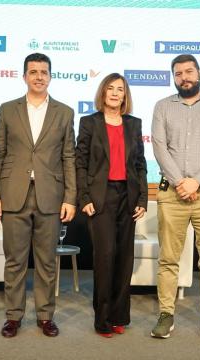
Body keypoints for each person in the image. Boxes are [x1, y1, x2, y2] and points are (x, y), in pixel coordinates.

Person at [0, 53, 76, 338]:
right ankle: (13, 316)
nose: (39, 76)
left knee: (47, 261)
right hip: (14, 194)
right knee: (15, 260)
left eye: (44, 72)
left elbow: (69, 157)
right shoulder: (7, 109)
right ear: (24, 76)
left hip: (51, 195)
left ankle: (45, 316)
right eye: (33, 71)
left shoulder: (64, 112)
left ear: (50, 76)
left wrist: (70, 197)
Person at [150, 54, 200, 339]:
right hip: (172, 194)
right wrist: (180, 182)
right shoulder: (162, 107)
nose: (184, 77)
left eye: (189, 71)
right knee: (168, 259)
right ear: (173, 78)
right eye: (178, 73)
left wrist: (196, 182)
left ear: (199, 73)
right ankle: (166, 313)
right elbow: (160, 148)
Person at [75, 73, 148, 338]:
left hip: (127, 197)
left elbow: (140, 165)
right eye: (110, 88)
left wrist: (143, 199)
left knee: (124, 259)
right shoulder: (89, 123)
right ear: (103, 93)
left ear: (125, 95)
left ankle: (119, 316)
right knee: (105, 257)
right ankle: (102, 320)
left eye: (120, 89)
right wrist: (84, 198)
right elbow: (80, 163)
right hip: (100, 197)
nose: (115, 93)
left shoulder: (133, 124)